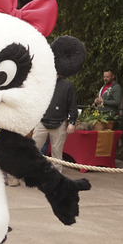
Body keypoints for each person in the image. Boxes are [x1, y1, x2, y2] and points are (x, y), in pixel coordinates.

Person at [32, 36, 83, 174]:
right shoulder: (43, 83)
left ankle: (56, 177)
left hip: (59, 124)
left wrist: (72, 122)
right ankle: (30, 173)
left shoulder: (67, 86)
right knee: (33, 150)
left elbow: (72, 106)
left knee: (56, 154)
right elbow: (36, 101)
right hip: (42, 122)